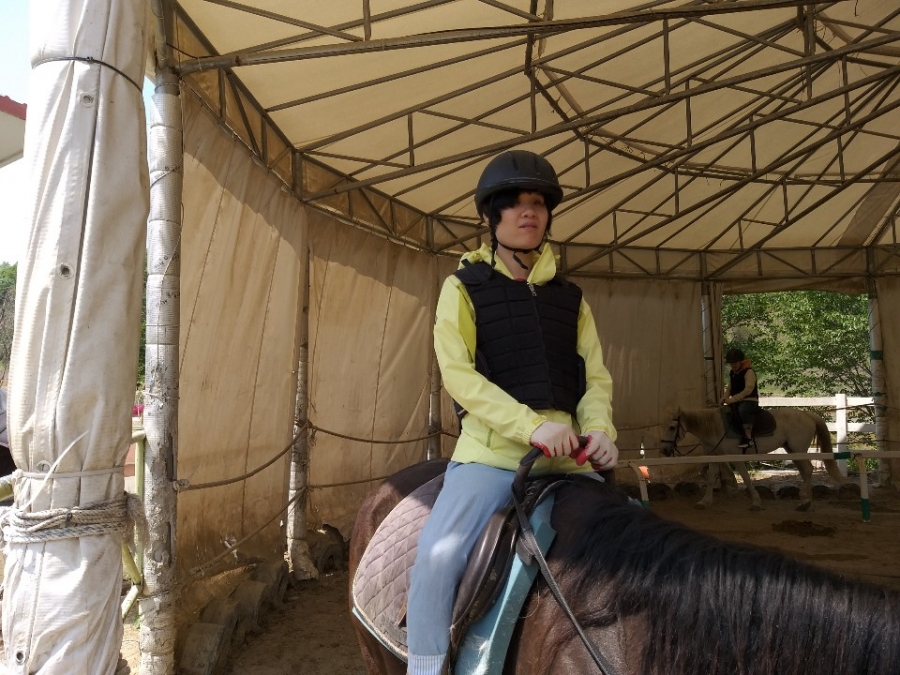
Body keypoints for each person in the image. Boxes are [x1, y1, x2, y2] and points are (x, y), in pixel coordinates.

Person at [406, 150, 618, 675]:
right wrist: (531, 426)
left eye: (539, 204)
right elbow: (459, 375)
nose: (529, 212)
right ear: (491, 215)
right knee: (437, 558)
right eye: (516, 203)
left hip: (570, 459)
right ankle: (425, 668)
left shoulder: (572, 299)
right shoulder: (462, 288)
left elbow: (594, 376)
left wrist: (599, 429)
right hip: (494, 458)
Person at [721, 347, 759, 448]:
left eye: (735, 363)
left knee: (743, 410)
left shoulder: (749, 372)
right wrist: (724, 398)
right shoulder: (733, 373)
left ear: (741, 362)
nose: (733, 365)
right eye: (731, 363)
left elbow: (748, 390)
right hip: (738, 400)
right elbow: (730, 388)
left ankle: (748, 437)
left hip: (750, 400)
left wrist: (732, 399)